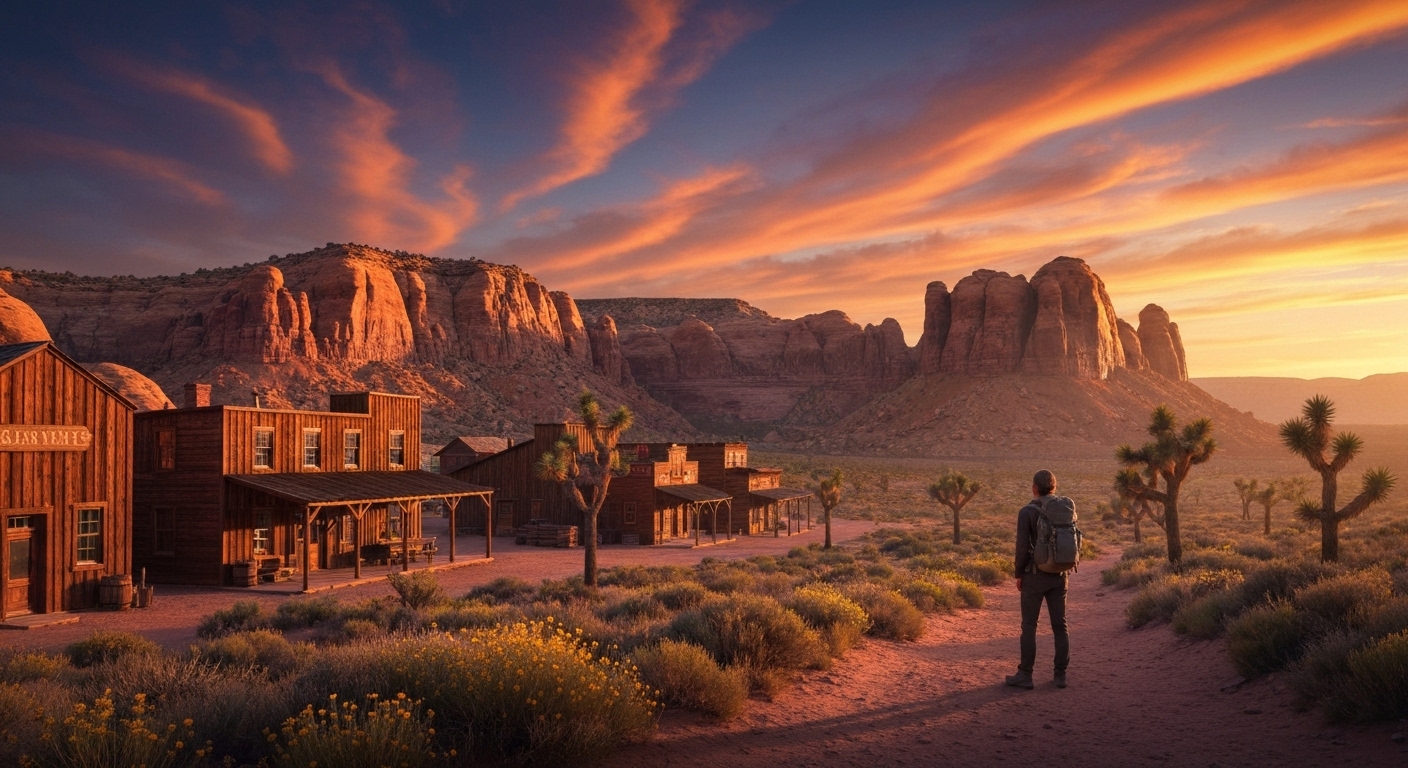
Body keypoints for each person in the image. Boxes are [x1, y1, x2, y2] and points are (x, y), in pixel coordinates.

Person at [1006, 469, 1069, 690]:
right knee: (1060, 626)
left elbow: (1022, 547)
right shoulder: (1064, 509)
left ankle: (1025, 675)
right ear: (1054, 487)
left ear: (1034, 488)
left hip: (1034, 576)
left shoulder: (1026, 512)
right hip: (1060, 575)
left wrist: (1018, 574)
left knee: (1029, 626)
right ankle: (1060, 675)